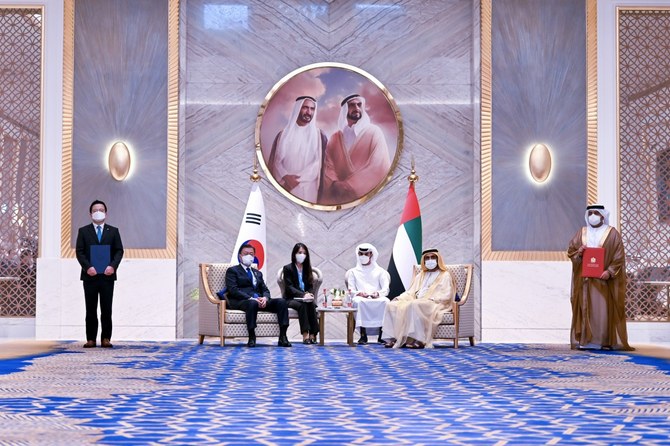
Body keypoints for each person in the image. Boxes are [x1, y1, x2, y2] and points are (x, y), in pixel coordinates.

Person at [567, 204, 634, 351]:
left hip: (603, 281)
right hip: (585, 281)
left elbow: (619, 256)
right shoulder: (582, 233)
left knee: (602, 312)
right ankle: (586, 341)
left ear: (603, 215)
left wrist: (609, 271)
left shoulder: (612, 233)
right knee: (586, 310)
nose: (593, 216)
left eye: (596, 213)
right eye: (590, 213)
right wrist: (579, 251)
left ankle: (604, 341)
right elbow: (571, 251)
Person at [320, 94, 391, 205]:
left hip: (366, 197)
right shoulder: (335, 138)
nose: (357, 108)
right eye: (352, 105)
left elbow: (378, 165)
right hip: (339, 195)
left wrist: (350, 186)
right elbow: (329, 166)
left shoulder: (374, 132)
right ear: (344, 111)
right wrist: (334, 184)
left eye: (359, 105)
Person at [382, 249, 456, 349]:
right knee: (391, 304)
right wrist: (399, 298)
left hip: (435, 303)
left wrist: (430, 299)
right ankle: (394, 338)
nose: (430, 260)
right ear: (424, 261)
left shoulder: (445, 275)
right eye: (427, 258)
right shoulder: (421, 275)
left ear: (438, 259)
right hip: (417, 301)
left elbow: (446, 294)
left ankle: (420, 340)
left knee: (414, 304)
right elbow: (411, 291)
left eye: (433, 257)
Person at [75, 200, 124, 348]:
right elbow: (80, 252)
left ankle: (106, 338)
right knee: (90, 309)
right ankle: (90, 339)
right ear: (90, 214)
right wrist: (88, 267)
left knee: (106, 309)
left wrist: (112, 266)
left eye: (101, 209)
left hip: (107, 276)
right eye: (95, 210)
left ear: (106, 213)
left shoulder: (113, 231)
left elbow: (119, 251)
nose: (98, 211)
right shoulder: (83, 231)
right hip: (89, 276)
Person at [224, 243, 291, 347]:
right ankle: (251, 336)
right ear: (240, 256)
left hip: (259, 300)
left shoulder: (257, 272)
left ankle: (283, 336)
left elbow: (265, 289)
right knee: (252, 304)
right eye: (246, 254)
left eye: (251, 254)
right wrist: (251, 298)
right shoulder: (233, 271)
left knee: (282, 302)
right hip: (243, 301)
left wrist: (265, 298)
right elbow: (233, 290)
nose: (249, 256)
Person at [268, 96, 328, 203]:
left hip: (309, 188)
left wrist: (296, 180)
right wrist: (285, 176)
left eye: (312, 109)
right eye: (305, 108)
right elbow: (276, 161)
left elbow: (319, 163)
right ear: (297, 109)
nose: (309, 112)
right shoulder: (283, 135)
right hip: (284, 186)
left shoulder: (319, 136)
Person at [345, 243, 390, 345]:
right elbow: (351, 290)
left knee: (386, 302)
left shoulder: (380, 271)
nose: (363, 256)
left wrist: (378, 293)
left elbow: (386, 289)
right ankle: (363, 335)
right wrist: (359, 293)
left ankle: (382, 335)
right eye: (361, 254)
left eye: (366, 254)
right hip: (360, 297)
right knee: (359, 302)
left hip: (377, 297)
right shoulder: (353, 272)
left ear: (371, 254)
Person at [281, 243, 319, 344]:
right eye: (299, 252)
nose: (302, 255)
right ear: (294, 254)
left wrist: (310, 294)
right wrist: (303, 295)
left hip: (305, 297)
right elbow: (289, 287)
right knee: (302, 305)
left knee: (310, 303)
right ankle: (305, 334)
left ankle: (313, 334)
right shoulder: (288, 268)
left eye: (304, 253)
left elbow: (310, 285)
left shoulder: (307, 268)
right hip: (291, 298)